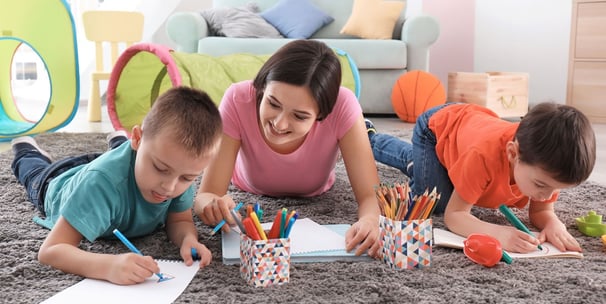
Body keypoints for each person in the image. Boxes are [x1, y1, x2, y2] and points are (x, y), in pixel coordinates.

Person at [11, 86, 222, 285]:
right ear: (137, 139)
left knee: (130, 164)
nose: (169, 187)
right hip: (56, 182)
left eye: (187, 178)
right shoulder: (101, 185)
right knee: (32, 172)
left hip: (117, 165)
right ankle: (25, 150)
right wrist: (108, 266)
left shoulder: (177, 166)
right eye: (160, 168)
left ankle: (119, 143)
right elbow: (51, 250)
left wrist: (187, 239)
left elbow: (180, 220)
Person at [195, 39, 381, 256]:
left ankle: (364, 131)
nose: (279, 124)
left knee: (365, 139)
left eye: (299, 116)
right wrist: (211, 206)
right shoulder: (237, 98)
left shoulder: (343, 106)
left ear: (321, 115)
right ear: (262, 88)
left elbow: (371, 196)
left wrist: (370, 220)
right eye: (273, 103)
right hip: (247, 184)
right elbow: (206, 194)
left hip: (318, 190)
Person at [366, 102, 596, 253]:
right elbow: (454, 216)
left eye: (556, 189)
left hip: (467, 133)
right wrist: (498, 234)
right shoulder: (483, 156)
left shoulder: (542, 165)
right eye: (541, 186)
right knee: (436, 201)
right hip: (435, 130)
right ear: (512, 153)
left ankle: (424, 164)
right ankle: (370, 139)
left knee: (441, 176)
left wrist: (553, 223)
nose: (546, 195)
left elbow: (541, 211)